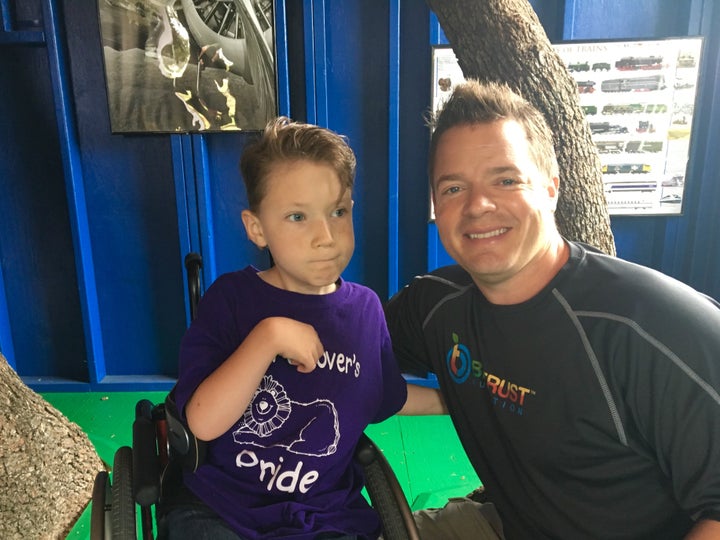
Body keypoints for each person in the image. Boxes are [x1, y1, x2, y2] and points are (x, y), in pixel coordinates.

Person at [384, 80, 720, 539]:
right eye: (454, 187)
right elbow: (339, 355)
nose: (478, 205)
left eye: (506, 180)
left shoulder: (652, 326)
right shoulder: (436, 306)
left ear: (551, 189)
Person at [163, 117, 442, 540]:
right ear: (257, 228)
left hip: (326, 515)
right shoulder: (232, 300)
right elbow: (201, 424)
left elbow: (383, 396)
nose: (325, 236)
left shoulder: (366, 310)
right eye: (298, 216)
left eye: (338, 211)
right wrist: (267, 337)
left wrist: (457, 401)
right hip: (222, 510)